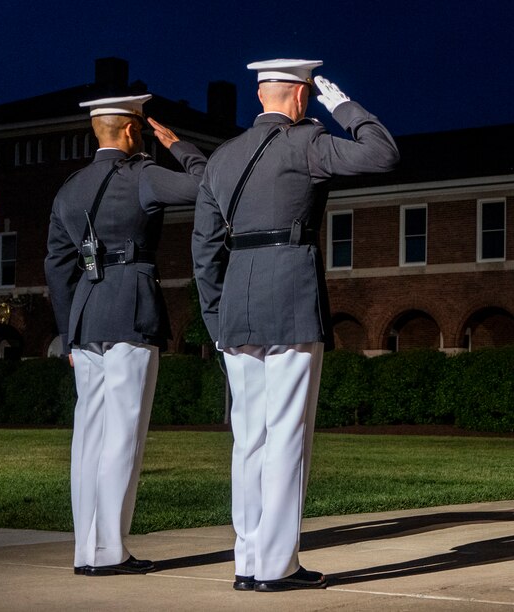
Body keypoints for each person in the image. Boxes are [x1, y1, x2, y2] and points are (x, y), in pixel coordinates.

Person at [191, 59, 398, 592]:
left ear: (261, 95)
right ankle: (277, 566)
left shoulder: (222, 157)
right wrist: (344, 105)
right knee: (286, 434)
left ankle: (247, 559)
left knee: (248, 440)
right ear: (303, 96)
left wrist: (216, 314)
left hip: (236, 302)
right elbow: (382, 152)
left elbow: (204, 248)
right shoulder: (307, 143)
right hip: (290, 295)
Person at [44, 94, 207, 576]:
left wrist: (67, 331)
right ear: (133, 131)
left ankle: (85, 550)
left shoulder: (69, 188)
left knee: (88, 436)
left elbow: (57, 266)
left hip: (85, 316)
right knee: (123, 434)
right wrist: (181, 147)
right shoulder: (141, 174)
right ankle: (110, 551)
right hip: (131, 310)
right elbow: (207, 186)